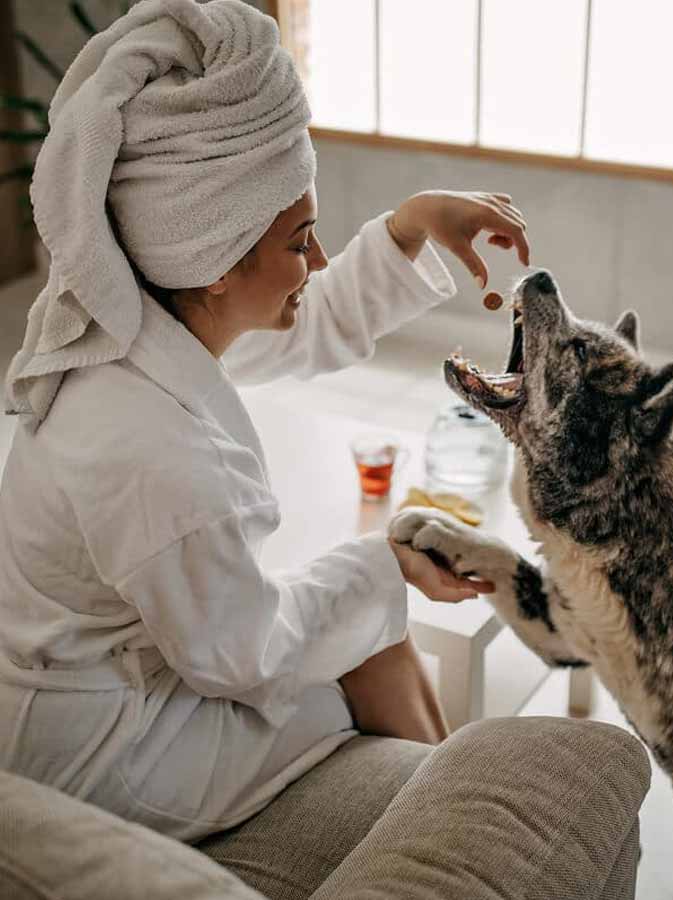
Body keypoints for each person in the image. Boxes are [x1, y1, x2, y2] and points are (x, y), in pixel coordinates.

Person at [0, 0, 528, 844]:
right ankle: (461, 841)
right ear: (214, 263)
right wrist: (382, 565)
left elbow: (305, 321)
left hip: (118, 677)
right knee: (370, 625)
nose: (317, 262)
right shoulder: (150, 451)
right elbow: (238, 657)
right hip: (100, 757)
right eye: (301, 239)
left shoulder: (140, 324)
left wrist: (410, 223)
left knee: (366, 620)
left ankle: (451, 812)